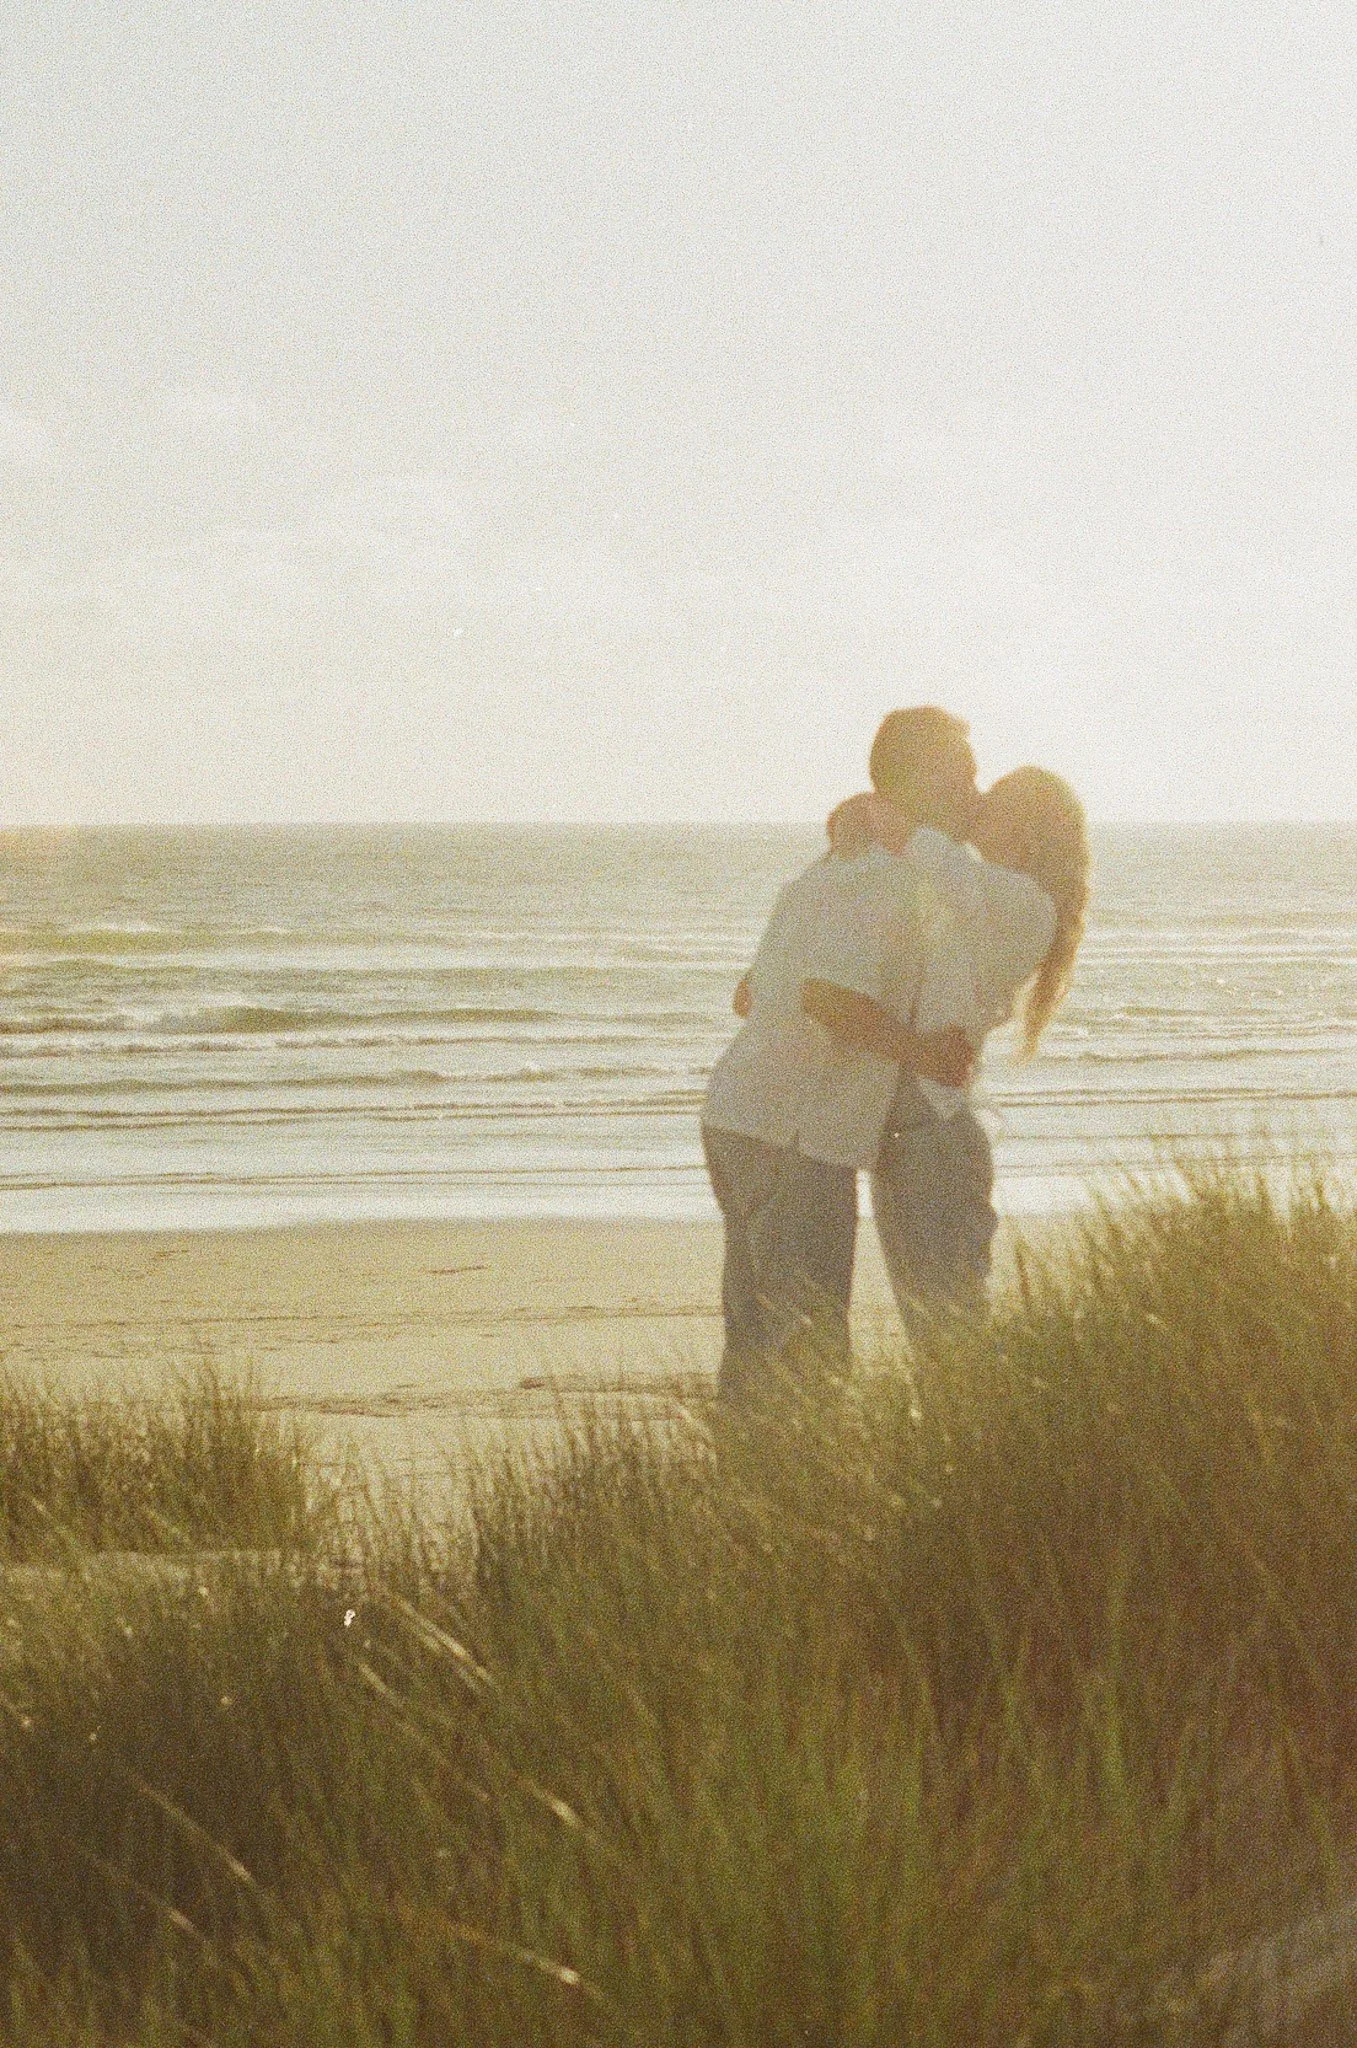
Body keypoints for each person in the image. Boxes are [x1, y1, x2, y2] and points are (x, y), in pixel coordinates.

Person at [701, 707, 979, 1403]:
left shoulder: (826, 870)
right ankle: (793, 1500)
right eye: (963, 773)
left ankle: (739, 1493)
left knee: (753, 1341)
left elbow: (749, 994)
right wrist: (924, 1053)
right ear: (923, 779)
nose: (973, 789)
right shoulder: (884, 879)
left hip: (736, 1116)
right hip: (793, 1135)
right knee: (809, 1354)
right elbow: (829, 998)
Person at [803, 766, 1090, 1327]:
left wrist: (893, 820)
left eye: (998, 800)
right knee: (937, 1330)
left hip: (936, 1145)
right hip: (905, 1142)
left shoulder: (1025, 904)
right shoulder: (970, 893)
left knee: (952, 1335)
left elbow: (948, 869)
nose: (979, 801)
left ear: (1029, 831)